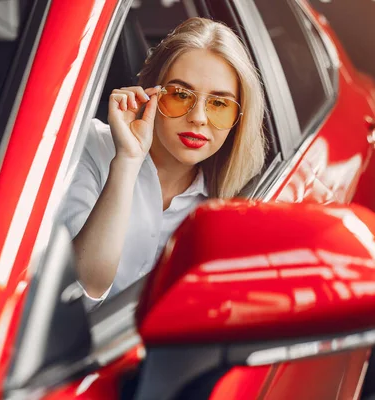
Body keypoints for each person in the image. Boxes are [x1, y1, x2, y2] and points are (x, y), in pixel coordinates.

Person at [58, 17, 266, 308]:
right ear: (149, 93)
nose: (199, 118)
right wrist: (127, 160)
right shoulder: (90, 146)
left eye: (219, 104)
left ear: (238, 119)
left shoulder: (241, 193)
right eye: (180, 95)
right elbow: (85, 287)